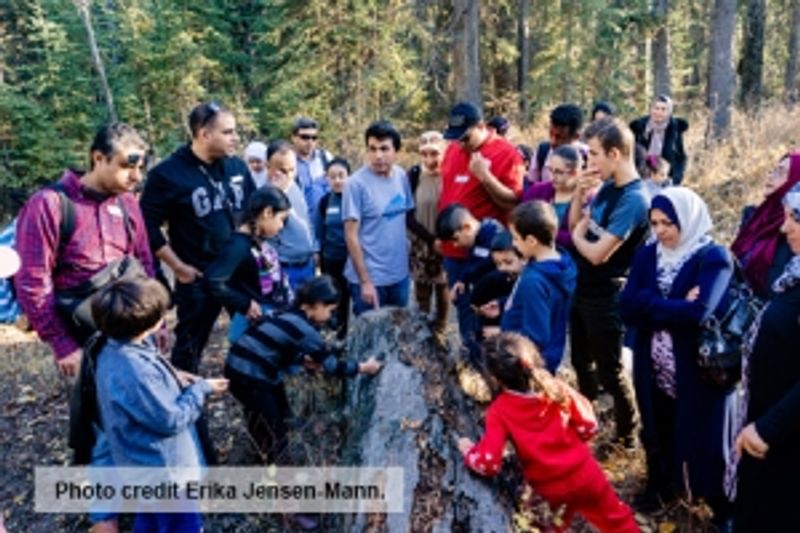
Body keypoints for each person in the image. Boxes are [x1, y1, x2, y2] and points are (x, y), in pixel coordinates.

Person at [619, 188, 734, 518]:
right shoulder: (647, 254)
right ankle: (661, 490)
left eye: (668, 223)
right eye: (654, 223)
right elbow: (626, 307)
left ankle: (713, 507)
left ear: (688, 219)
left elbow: (700, 314)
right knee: (657, 425)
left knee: (703, 437)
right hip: (652, 362)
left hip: (698, 368)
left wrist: (650, 305)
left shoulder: (713, 257)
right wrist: (676, 305)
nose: (660, 231)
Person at [458, 333, 639, 533]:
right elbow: (589, 426)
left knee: (544, 528)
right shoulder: (555, 387)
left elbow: (489, 463)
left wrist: (469, 452)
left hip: (548, 490)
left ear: (494, 378)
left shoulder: (499, 411)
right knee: (618, 521)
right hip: (586, 474)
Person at [15, 123, 155, 377]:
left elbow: (144, 261)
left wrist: (155, 318)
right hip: (82, 336)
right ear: (99, 158)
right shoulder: (50, 204)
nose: (136, 177)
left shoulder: (128, 203)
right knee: (99, 411)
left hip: (133, 330)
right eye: (127, 166)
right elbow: (32, 280)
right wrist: (62, 344)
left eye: (140, 168)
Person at [92, 277, 228, 533]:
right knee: (181, 525)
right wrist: (202, 389)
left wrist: (174, 377)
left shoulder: (111, 348)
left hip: (139, 464)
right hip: (165, 472)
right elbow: (170, 419)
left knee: (152, 520)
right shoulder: (137, 370)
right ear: (151, 323)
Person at [140, 101, 254, 374]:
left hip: (239, 274)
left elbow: (254, 211)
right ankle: (186, 411)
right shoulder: (167, 174)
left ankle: (261, 408)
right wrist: (177, 266)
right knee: (189, 350)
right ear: (204, 134)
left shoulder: (237, 167)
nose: (235, 138)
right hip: (198, 277)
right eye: (227, 132)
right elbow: (146, 227)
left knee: (257, 339)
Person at [225, 275, 382, 465]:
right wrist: (364, 367)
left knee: (267, 413)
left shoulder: (287, 313)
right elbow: (332, 366)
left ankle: (261, 452)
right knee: (275, 428)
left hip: (236, 366)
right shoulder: (305, 330)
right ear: (317, 304)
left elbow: (276, 344)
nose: (331, 317)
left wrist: (302, 360)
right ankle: (280, 473)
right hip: (250, 375)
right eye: (330, 310)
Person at [569, 117, 650, 447]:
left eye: (594, 155)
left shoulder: (634, 199)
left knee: (611, 370)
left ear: (615, 154)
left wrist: (576, 236)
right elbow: (577, 223)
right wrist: (578, 194)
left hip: (608, 294)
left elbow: (596, 253)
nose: (590, 162)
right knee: (580, 361)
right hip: (583, 287)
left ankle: (628, 435)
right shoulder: (605, 188)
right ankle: (585, 422)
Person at [733, 183, 800, 532]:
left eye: (797, 219)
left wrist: (768, 428)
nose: (785, 227)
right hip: (771, 429)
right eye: (787, 216)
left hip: (785, 438)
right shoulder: (794, 273)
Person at [438, 101, 524, 346]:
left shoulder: (506, 153)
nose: (461, 143)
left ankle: (490, 362)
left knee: (487, 312)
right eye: (456, 139)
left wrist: (485, 177)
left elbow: (513, 201)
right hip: (455, 251)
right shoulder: (454, 150)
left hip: (489, 251)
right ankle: (470, 355)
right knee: (464, 308)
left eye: (465, 137)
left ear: (481, 126)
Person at [204, 186, 293, 343]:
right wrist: (244, 304)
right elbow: (213, 280)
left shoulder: (257, 239)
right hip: (253, 322)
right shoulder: (237, 246)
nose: (281, 226)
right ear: (267, 213)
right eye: (281, 220)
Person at [343, 120, 415, 315]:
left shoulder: (401, 176)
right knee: (370, 339)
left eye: (384, 149)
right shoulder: (355, 184)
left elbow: (406, 220)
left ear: (396, 151)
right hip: (370, 280)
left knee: (398, 335)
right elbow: (351, 236)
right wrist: (365, 282)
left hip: (399, 276)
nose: (378, 156)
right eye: (372, 149)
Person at [503, 201, 576, 373]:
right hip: (548, 356)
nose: (513, 244)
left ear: (531, 240)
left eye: (515, 238)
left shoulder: (534, 281)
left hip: (526, 364)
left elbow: (536, 336)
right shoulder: (562, 263)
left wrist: (503, 342)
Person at [731, 153, 800, 298]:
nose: (770, 176)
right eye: (773, 170)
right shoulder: (754, 216)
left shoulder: (794, 231)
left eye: (780, 172)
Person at [406, 131, 449, 342]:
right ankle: (422, 333)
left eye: (435, 154)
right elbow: (407, 214)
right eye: (425, 154)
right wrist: (429, 239)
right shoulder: (413, 175)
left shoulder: (450, 174)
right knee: (422, 288)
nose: (430, 160)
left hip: (446, 241)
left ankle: (440, 332)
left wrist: (443, 239)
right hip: (421, 242)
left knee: (443, 288)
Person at [264, 140, 318, 291]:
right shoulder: (265, 197)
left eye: (292, 170)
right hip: (285, 268)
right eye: (282, 170)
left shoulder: (295, 186)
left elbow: (306, 220)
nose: (288, 175)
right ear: (268, 167)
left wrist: (314, 248)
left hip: (307, 265)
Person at [315, 157, 352, 338]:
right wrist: (317, 253)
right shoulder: (324, 202)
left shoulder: (356, 198)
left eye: (341, 176)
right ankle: (339, 332)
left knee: (355, 296)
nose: (337, 180)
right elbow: (319, 230)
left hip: (353, 259)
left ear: (349, 177)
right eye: (332, 177)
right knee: (336, 296)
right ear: (326, 179)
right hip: (331, 258)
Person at [522, 144, 582, 253]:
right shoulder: (538, 190)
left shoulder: (586, 198)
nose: (553, 177)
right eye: (551, 170)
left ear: (575, 173)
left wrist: (542, 232)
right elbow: (520, 220)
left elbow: (577, 238)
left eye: (559, 172)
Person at [629, 95, 688, 185]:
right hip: (641, 176)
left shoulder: (675, 129)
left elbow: (680, 157)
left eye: (663, 109)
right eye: (656, 108)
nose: (659, 112)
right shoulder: (640, 127)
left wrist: (676, 179)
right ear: (651, 109)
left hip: (665, 177)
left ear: (669, 112)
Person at [526, 103, 585, 186]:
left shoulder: (588, 157)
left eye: (560, 137)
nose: (553, 142)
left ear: (576, 136)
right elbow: (531, 186)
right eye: (551, 135)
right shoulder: (543, 152)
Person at [291, 117, 333, 221]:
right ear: (294, 138)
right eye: (305, 137)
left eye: (314, 137)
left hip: (324, 220)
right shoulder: (288, 161)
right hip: (298, 219)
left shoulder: (326, 158)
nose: (310, 142)